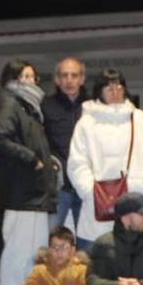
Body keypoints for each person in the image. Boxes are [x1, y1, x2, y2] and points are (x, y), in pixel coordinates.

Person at [0, 59, 60, 285]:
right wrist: (33, 160)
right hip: (21, 194)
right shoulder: (10, 102)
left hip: (35, 194)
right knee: (16, 259)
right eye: (27, 76)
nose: (32, 81)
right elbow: (1, 140)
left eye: (34, 76)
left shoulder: (30, 107)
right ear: (14, 79)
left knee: (32, 258)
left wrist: (47, 165)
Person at [69, 67, 143, 251]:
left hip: (135, 201)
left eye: (118, 87)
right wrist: (89, 191)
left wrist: (139, 184)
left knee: (134, 263)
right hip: (98, 204)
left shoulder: (140, 119)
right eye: (109, 88)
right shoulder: (86, 123)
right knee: (96, 263)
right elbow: (77, 162)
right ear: (99, 91)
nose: (115, 92)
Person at [43, 57, 87, 232]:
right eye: (64, 75)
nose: (69, 80)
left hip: (85, 185)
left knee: (88, 241)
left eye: (74, 75)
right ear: (56, 79)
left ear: (82, 79)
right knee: (49, 239)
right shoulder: (45, 106)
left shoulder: (91, 107)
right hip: (58, 186)